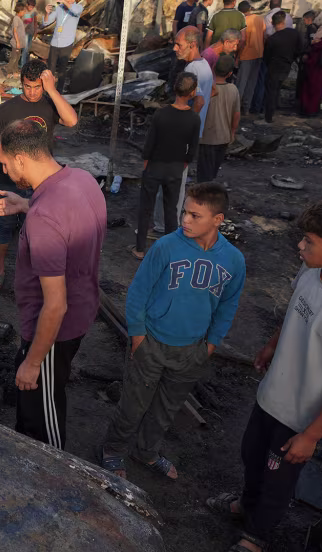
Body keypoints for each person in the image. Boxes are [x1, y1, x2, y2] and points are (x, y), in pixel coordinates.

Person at [208, 197, 322, 552]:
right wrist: (273, 344)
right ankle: (246, 501)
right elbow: (293, 311)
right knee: (251, 455)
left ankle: (255, 535)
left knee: (278, 480)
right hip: (271, 395)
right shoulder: (310, 274)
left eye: (308, 241)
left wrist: (312, 435)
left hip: (299, 418)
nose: (300, 247)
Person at [101, 182, 245, 480]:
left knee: (166, 409)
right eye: (184, 212)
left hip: (192, 351)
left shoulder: (233, 260)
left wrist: (211, 345)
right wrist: (138, 336)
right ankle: (113, 452)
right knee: (133, 404)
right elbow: (139, 292)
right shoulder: (166, 246)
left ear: (218, 219)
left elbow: (228, 306)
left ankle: (147, 453)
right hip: (151, 343)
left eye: (195, 216)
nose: (185, 221)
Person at [0, 119, 105, 450]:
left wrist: (33, 362)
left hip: (54, 330)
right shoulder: (81, 180)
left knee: (45, 413)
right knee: (31, 403)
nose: (7, 171)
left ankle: (53, 473)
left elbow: (55, 304)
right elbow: (66, 219)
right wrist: (26, 205)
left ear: (22, 159)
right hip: (82, 309)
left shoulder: (44, 218)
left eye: (6, 164)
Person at [0, 59, 78, 289]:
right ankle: (0, 268)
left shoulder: (50, 104)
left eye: (38, 86)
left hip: (41, 184)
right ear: (21, 82)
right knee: (4, 227)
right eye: (28, 86)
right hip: (9, 182)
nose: (33, 92)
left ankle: (33, 271)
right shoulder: (6, 111)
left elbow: (72, 120)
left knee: (37, 228)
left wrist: (52, 90)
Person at [136, 73, 201, 258]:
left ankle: (140, 249)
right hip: (175, 169)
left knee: (145, 208)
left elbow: (150, 143)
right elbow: (192, 149)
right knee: (171, 210)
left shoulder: (161, 114)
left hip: (155, 167)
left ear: (174, 88)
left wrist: (146, 163)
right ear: (193, 92)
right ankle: (171, 250)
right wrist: (182, 164)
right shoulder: (194, 119)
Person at [198, 55, 239, 182]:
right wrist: (232, 132)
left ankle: (204, 196)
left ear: (214, 68)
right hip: (223, 137)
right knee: (213, 170)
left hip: (207, 137)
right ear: (230, 73)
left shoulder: (207, 87)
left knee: (204, 173)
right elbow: (236, 115)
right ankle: (208, 193)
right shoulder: (233, 89)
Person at [262, 11, 300, 123]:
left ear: (273, 23)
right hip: (286, 65)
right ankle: (274, 109)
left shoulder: (272, 39)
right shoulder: (294, 34)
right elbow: (300, 49)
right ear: (284, 21)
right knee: (277, 88)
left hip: (274, 67)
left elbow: (266, 56)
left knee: (271, 91)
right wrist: (292, 58)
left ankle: (268, 116)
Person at [178, 27, 214, 133]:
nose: (175, 48)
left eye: (179, 45)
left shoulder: (191, 68)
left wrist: (188, 124)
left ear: (192, 45)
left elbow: (199, 101)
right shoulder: (204, 62)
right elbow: (213, 90)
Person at [46, 0, 84, 88]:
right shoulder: (59, 8)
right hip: (55, 42)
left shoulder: (78, 7)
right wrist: (47, 13)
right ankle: (48, 90)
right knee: (50, 68)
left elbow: (75, 11)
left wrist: (63, 1)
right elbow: (46, 22)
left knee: (62, 70)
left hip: (66, 43)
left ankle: (59, 91)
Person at [236, 1, 265, 112]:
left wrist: (237, 56)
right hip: (258, 54)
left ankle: (236, 108)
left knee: (241, 83)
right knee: (251, 83)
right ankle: (246, 108)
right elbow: (264, 36)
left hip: (245, 54)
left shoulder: (243, 21)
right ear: (250, 9)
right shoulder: (260, 19)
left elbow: (242, 41)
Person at [10, 2, 28, 69]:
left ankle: (15, 71)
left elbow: (28, 19)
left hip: (19, 43)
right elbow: (15, 31)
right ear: (20, 11)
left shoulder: (20, 19)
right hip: (16, 43)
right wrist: (17, 42)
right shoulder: (16, 18)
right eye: (24, 11)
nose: (24, 12)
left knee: (17, 58)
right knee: (14, 58)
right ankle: (9, 72)